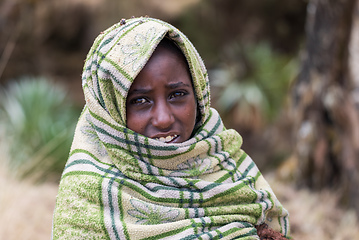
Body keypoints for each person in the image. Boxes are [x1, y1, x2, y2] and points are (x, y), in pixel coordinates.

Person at [52, 17, 290, 239]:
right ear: (110, 109)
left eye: (177, 94)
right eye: (140, 101)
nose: (164, 119)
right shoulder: (86, 199)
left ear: (198, 96)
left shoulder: (229, 164)